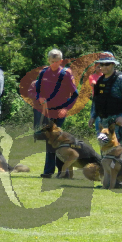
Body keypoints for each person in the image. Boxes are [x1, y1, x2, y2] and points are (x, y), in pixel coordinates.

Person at [29, 49, 79, 178]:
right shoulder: (43, 73)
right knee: (50, 141)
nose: (54, 64)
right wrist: (39, 97)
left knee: (58, 140)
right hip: (47, 111)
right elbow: (36, 90)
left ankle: (60, 171)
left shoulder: (66, 74)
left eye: (56, 62)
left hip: (60, 112)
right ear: (48, 60)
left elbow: (75, 95)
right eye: (52, 61)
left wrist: (66, 109)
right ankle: (51, 171)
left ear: (61, 61)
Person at [89, 52, 122, 145]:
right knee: (104, 151)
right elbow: (96, 100)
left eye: (107, 64)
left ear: (113, 64)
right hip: (103, 124)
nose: (104, 67)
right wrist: (93, 116)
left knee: (118, 152)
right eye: (102, 64)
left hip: (117, 124)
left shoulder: (121, 79)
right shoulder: (100, 80)